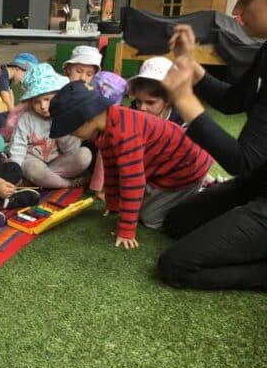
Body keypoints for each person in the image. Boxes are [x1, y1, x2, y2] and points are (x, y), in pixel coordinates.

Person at [156, 0, 267, 290]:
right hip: (260, 181)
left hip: (258, 181)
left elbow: (243, 160)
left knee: (175, 266)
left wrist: (185, 102)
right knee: (176, 222)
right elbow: (234, 100)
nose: (235, 10)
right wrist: (191, 66)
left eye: (245, 0)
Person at [49, 81, 212, 249]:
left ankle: (205, 192)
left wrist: (126, 230)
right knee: (136, 205)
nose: (70, 133)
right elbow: (111, 169)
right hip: (159, 169)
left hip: (187, 170)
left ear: (89, 117)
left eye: (70, 127)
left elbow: (132, 183)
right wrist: (113, 204)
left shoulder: (125, 135)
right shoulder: (107, 125)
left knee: (150, 219)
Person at [10, 63, 92, 189]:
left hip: (57, 162)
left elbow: (71, 150)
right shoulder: (26, 117)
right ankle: (68, 183)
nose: (43, 106)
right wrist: (14, 173)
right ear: (30, 103)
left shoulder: (64, 115)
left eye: (48, 99)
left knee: (84, 155)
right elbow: (18, 146)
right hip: (33, 160)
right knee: (34, 169)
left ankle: (47, 180)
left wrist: (61, 125)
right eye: (37, 102)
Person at [129, 56, 184, 126]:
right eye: (138, 101)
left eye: (150, 102)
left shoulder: (180, 121)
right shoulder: (132, 112)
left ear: (168, 99)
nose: (142, 108)